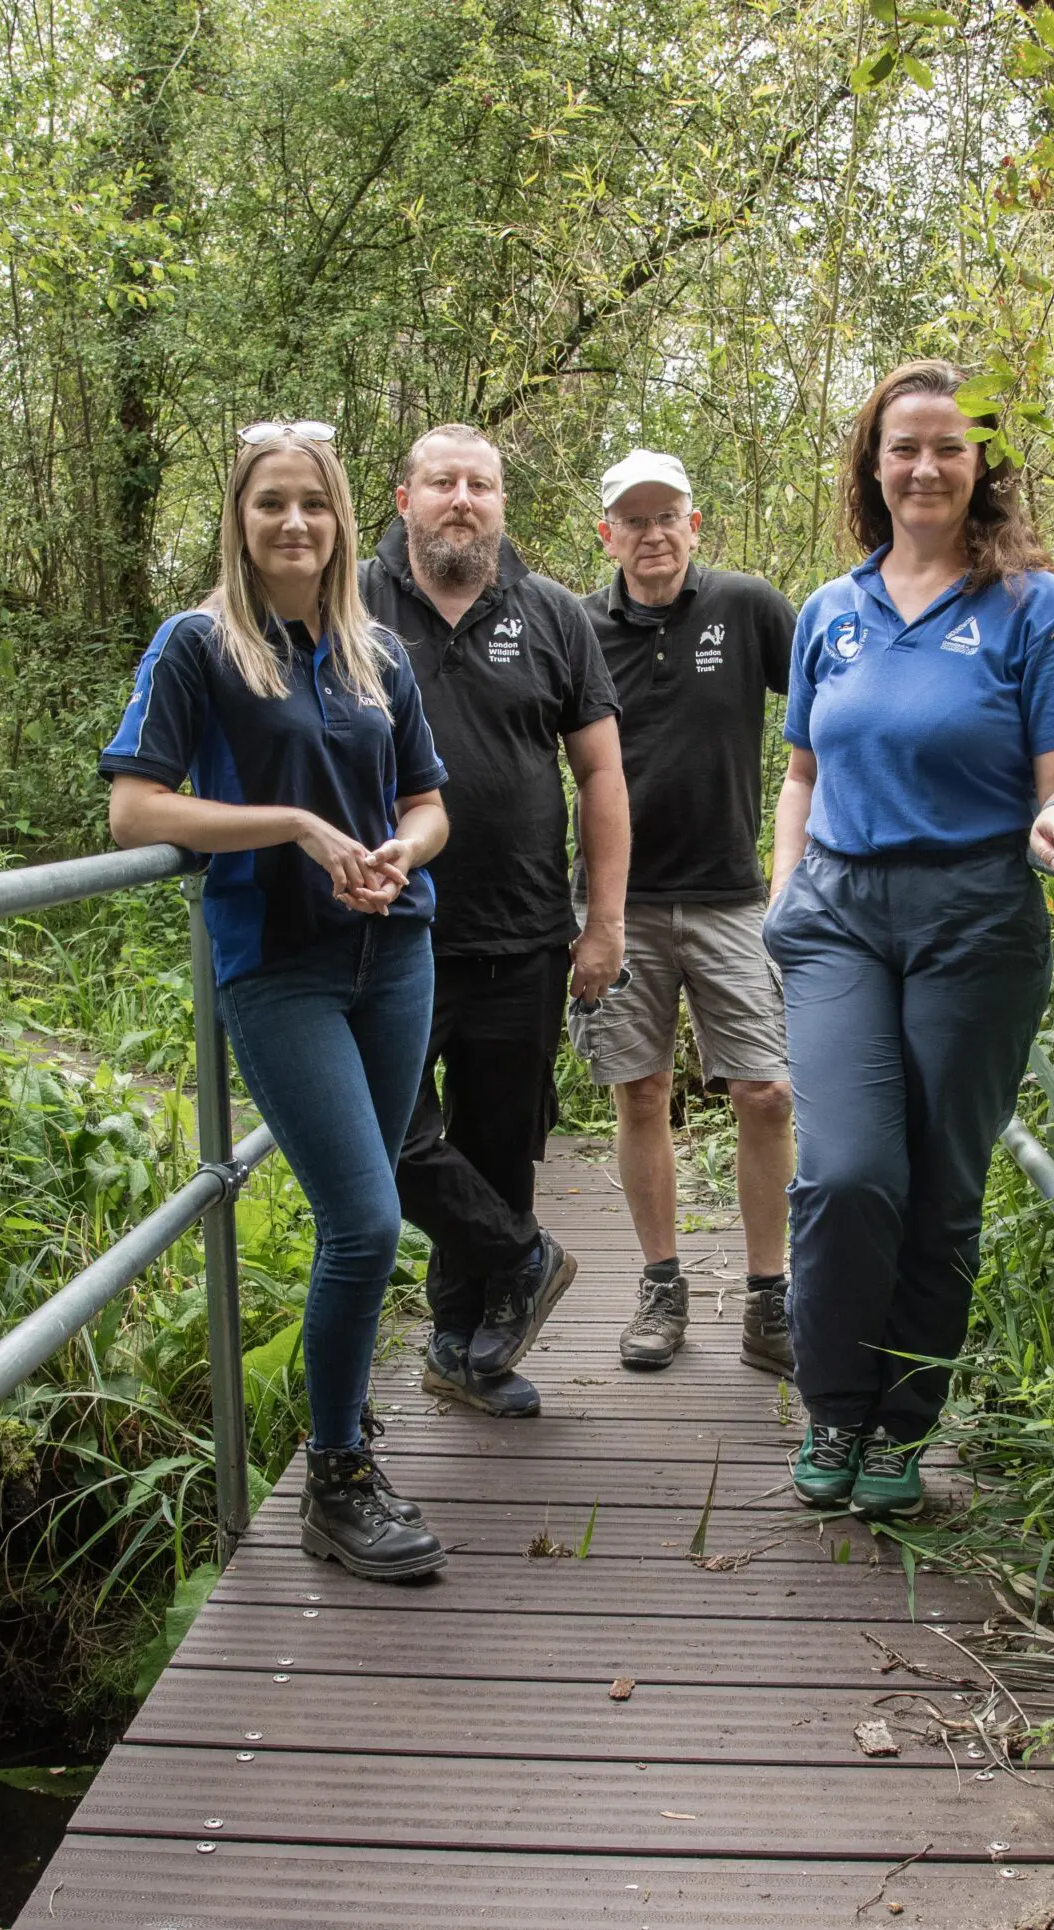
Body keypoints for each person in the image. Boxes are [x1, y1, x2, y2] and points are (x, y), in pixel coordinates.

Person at [101, 420, 451, 1582]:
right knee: (361, 1221)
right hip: (279, 964)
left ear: (345, 517)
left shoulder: (376, 652)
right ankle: (336, 1477)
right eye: (270, 504)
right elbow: (138, 810)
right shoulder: (197, 646)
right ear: (238, 520)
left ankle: (344, 1448)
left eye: (313, 503)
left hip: (393, 950)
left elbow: (429, 802)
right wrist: (298, 828)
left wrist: (398, 848)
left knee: (372, 1208)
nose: (294, 522)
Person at [767, 360, 1054, 1518]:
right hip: (837, 919)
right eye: (902, 446)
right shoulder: (829, 609)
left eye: (948, 446)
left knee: (939, 1186)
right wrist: (781, 893)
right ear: (872, 465)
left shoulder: (1036, 607)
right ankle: (833, 1404)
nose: (924, 465)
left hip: (975, 915)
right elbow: (802, 771)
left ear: (981, 467)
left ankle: (899, 1427)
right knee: (851, 1169)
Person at [361, 423, 628, 1415]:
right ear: (404, 499)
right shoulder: (349, 606)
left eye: (480, 484)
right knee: (385, 1133)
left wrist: (602, 923)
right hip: (387, 927)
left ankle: (466, 1349)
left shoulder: (554, 613)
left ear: (501, 503)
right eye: (442, 482)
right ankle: (524, 1257)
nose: (461, 499)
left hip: (523, 932)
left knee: (499, 1143)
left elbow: (600, 773)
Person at [573, 448, 797, 1375]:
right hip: (617, 902)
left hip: (731, 896)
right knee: (642, 1090)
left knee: (767, 1090)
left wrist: (813, 860)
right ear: (608, 534)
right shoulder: (577, 626)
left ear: (694, 525)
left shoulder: (747, 607)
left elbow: (832, 720)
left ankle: (769, 1297)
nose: (653, 533)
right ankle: (662, 1285)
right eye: (635, 518)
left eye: (669, 515)